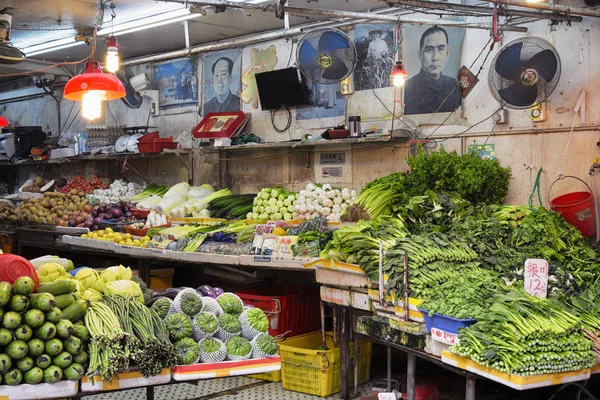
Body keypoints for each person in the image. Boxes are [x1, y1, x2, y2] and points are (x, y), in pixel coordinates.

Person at [404, 26, 461, 115]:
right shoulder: (407, 88)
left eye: (441, 49)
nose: (435, 57)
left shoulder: (454, 85)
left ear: (448, 53)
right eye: (429, 50)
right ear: (419, 55)